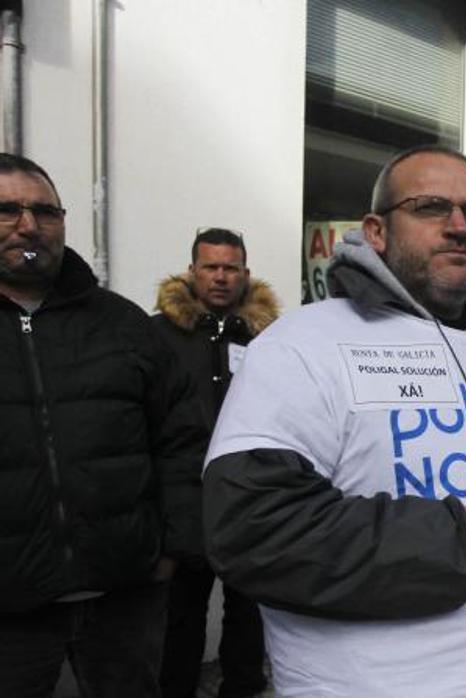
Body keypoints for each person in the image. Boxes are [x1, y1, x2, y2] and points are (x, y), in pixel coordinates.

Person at [201, 146, 466, 697]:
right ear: (375, 231)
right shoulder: (302, 344)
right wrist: (456, 544)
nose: (459, 227)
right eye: (431, 207)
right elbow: (252, 528)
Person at [0, 153, 205, 695]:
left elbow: (181, 440)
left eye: (45, 211)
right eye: (7, 210)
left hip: (125, 600)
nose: (29, 225)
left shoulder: (122, 324)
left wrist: (170, 552)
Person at [154, 228, 278, 698]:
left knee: (249, 617)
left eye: (231, 268)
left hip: (250, 501)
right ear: (192, 272)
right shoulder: (158, 336)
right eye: (211, 267)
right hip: (183, 505)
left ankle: (243, 690)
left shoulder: (270, 338)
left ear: (245, 274)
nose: (221, 277)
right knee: (180, 621)